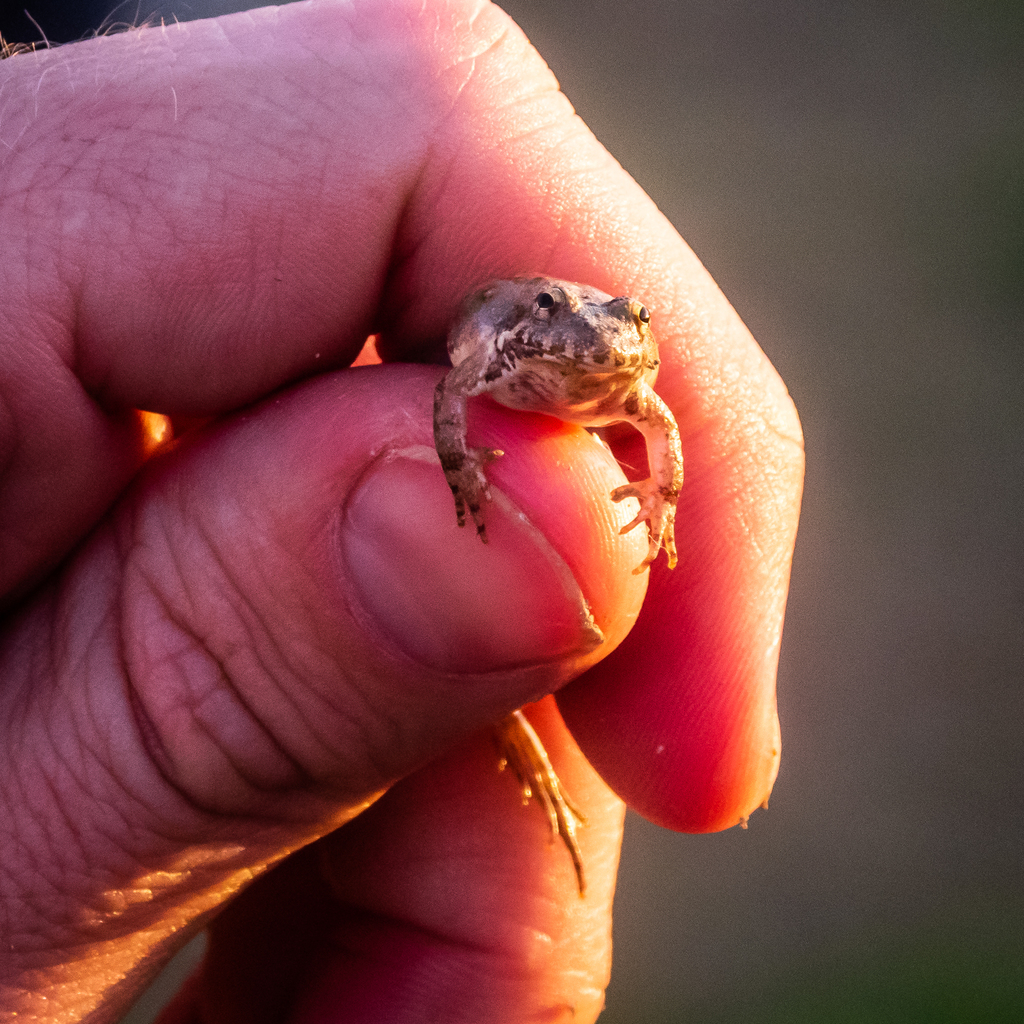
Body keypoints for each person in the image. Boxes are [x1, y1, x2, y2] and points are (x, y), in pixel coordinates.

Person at [0, 1, 804, 1020]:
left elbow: (664, 436)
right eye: (569, 319)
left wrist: (658, 498)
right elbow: (450, 396)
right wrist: (459, 480)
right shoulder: (513, 346)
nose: (594, 338)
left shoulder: (627, 384)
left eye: (618, 326)